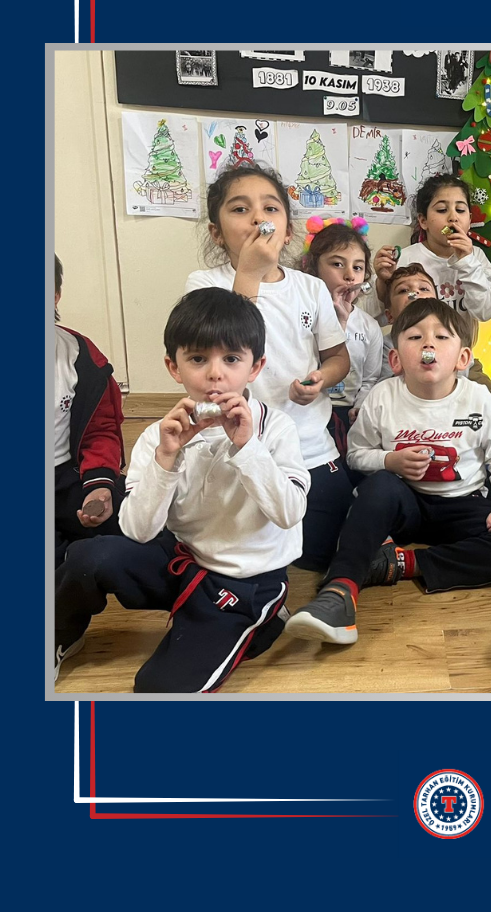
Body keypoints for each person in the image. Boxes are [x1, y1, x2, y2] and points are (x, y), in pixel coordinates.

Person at [55, 289, 308, 691]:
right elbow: (138, 531)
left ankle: (263, 620)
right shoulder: (159, 436)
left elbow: (289, 513)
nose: (215, 374)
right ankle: (58, 636)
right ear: (174, 367)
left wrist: (247, 449)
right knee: (88, 556)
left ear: (255, 367)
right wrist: (166, 459)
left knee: (158, 689)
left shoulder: (275, 429)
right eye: (198, 359)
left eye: (231, 359)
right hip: (181, 556)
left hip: (244, 579)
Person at [285, 298, 491, 645]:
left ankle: (398, 563)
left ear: (463, 358)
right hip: (405, 503)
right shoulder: (383, 397)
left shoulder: (478, 399)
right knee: (378, 488)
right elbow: (355, 455)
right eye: (415, 337)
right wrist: (389, 461)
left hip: (464, 503)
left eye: (441, 337)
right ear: (396, 360)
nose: (429, 344)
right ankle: (339, 592)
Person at [184, 162, 351, 573]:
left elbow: (338, 358)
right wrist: (249, 273)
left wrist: (321, 379)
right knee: (245, 551)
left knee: (318, 555)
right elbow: (228, 347)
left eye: (270, 208)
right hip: (237, 447)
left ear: (287, 231)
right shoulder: (204, 285)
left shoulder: (310, 287)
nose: (258, 218)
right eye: (240, 209)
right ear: (217, 233)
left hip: (310, 446)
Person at [54, 255, 126, 565]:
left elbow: (101, 429)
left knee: (144, 524)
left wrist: (99, 484)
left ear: (55, 296)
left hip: (65, 475)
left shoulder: (81, 355)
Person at [300, 217, 383, 455]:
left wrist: (360, 406)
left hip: (350, 416)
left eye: (358, 267)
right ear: (312, 268)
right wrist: (339, 323)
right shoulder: (302, 315)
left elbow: (369, 380)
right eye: (337, 264)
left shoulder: (369, 326)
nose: (349, 276)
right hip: (309, 412)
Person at [372, 174, 491, 321]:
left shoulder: (476, 256)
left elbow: (486, 313)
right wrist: (383, 282)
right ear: (423, 221)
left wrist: (467, 262)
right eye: (442, 210)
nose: (453, 217)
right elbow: (377, 318)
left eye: (460, 210)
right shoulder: (405, 259)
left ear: (469, 220)